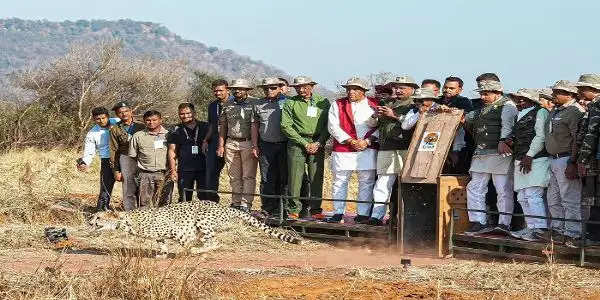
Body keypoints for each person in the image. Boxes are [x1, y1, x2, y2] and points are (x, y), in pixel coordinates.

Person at [463, 80, 517, 236]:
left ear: (497, 93)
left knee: (503, 189)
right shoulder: (482, 108)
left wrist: (503, 140)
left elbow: (508, 126)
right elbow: (468, 118)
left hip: (500, 152)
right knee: (474, 188)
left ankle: (504, 224)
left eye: (486, 93)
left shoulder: (507, 105)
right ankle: (478, 221)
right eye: (481, 93)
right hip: (482, 153)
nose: (483, 96)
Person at [369, 75, 419, 226]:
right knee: (383, 183)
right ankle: (377, 216)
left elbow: (410, 124)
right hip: (387, 148)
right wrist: (376, 115)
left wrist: (394, 115)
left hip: (407, 148)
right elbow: (372, 124)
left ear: (412, 89)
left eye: (402, 87)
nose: (398, 90)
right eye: (396, 87)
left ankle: (407, 219)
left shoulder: (415, 104)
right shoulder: (386, 102)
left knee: (407, 185)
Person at [326, 77, 378, 223]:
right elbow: (333, 126)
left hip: (367, 148)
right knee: (340, 181)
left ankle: (362, 214)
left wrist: (367, 141)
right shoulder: (337, 104)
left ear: (363, 91)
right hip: (343, 148)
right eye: (348, 89)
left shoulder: (374, 104)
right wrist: (351, 141)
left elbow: (380, 127)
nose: (351, 92)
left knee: (366, 182)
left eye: (355, 89)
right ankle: (337, 213)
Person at [541, 80, 585, 247]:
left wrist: (572, 162)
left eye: (558, 92)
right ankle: (558, 230)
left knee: (570, 198)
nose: (554, 94)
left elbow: (577, 138)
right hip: (553, 159)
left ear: (570, 94)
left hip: (566, 158)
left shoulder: (574, 111)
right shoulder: (556, 110)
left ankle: (573, 233)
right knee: (553, 198)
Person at [281, 76, 330, 220]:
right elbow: (285, 125)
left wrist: (319, 142)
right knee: (295, 177)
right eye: (298, 87)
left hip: (317, 142)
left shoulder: (323, 101)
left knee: (316, 176)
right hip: (297, 142)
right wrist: (304, 143)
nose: (301, 89)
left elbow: (329, 124)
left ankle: (315, 209)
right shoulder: (290, 102)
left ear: (312, 86)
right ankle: (294, 209)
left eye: (304, 86)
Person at [503, 89, 550, 241]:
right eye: (518, 99)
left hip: (535, 159)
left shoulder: (540, 112)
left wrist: (530, 155)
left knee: (533, 195)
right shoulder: (519, 114)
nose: (519, 101)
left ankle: (540, 229)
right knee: (522, 197)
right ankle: (531, 228)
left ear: (532, 100)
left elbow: (541, 136)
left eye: (523, 99)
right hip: (520, 159)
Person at [217, 79, 257, 212]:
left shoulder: (254, 103)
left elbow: (256, 125)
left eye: (241, 88)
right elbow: (223, 125)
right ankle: (236, 202)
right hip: (231, 142)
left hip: (248, 142)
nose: (237, 90)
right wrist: (221, 145)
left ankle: (246, 204)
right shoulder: (227, 104)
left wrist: (255, 145)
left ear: (247, 90)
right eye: (235, 88)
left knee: (248, 175)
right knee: (234, 176)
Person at [251, 77, 289, 218]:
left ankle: (284, 208)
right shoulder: (258, 104)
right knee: (267, 178)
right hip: (266, 145)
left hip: (284, 144)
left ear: (280, 88)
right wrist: (255, 145)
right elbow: (254, 125)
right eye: (266, 88)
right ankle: (267, 207)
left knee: (284, 177)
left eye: (273, 88)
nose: (269, 90)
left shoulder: (288, 102)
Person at [77, 107, 119, 211]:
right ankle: (102, 210)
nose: (101, 121)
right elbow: (89, 151)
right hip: (107, 160)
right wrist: (84, 162)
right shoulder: (92, 133)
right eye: (98, 119)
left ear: (108, 116)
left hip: (123, 157)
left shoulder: (118, 122)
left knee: (130, 185)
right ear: (94, 119)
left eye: (103, 118)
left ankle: (132, 210)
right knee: (105, 186)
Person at [129, 110, 172, 208]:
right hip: (145, 175)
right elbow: (132, 156)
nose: (151, 122)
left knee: (165, 204)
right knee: (144, 204)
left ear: (161, 120)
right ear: (144, 121)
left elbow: (174, 154)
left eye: (154, 120)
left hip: (164, 174)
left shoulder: (169, 135)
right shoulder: (138, 136)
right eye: (148, 120)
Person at [168, 103, 209, 202]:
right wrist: (173, 170)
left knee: (205, 197)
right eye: (182, 114)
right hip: (185, 169)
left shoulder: (205, 126)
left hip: (204, 168)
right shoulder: (175, 129)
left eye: (188, 113)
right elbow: (172, 150)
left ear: (194, 113)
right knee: (184, 197)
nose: (185, 116)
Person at [109, 101, 146, 211]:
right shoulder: (115, 129)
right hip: (126, 158)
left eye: (126, 111)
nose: (124, 114)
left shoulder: (142, 126)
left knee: (143, 185)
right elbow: (113, 150)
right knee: (128, 186)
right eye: (120, 112)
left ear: (131, 111)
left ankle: (144, 211)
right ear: (117, 115)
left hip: (142, 158)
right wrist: (116, 170)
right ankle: (130, 212)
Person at [576, 74, 600, 238]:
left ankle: (593, 236)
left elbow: (591, 134)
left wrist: (582, 159)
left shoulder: (597, 104)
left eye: (582, 89)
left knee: (596, 199)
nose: (579, 92)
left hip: (595, 158)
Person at [202, 79, 231, 202]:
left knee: (236, 175)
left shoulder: (234, 103)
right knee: (211, 172)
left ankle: (240, 204)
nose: (217, 93)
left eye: (220, 90)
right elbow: (211, 125)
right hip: (214, 141)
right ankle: (212, 202)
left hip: (231, 140)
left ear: (227, 89)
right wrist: (205, 140)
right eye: (215, 91)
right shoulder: (212, 106)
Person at [438, 76, 473, 174]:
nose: (447, 90)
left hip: (457, 142)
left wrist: (450, 111)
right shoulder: (437, 100)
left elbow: (468, 115)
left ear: (459, 90)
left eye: (451, 88)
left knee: (456, 169)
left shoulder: (463, 101)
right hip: (438, 141)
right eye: (445, 87)